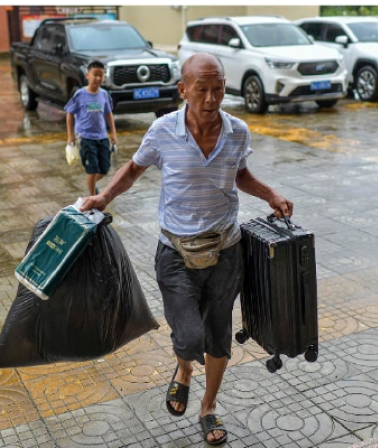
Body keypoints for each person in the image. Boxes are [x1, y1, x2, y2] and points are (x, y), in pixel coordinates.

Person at [80, 53, 293, 446]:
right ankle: (183, 370)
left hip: (226, 251)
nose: (211, 98)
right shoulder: (163, 131)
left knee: (217, 336)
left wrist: (270, 194)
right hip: (175, 252)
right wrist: (103, 197)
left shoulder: (238, 131)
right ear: (183, 90)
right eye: (202, 89)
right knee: (189, 337)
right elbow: (133, 168)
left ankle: (208, 407)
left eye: (218, 89)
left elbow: (239, 174)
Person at [65, 60, 118, 196]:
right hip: (86, 138)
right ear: (87, 75)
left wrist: (113, 133)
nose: (98, 78)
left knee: (104, 168)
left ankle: (91, 184)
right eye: (95, 75)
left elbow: (108, 114)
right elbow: (69, 113)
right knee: (92, 169)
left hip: (102, 137)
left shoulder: (104, 95)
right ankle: (92, 197)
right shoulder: (80, 94)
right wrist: (70, 136)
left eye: (101, 75)